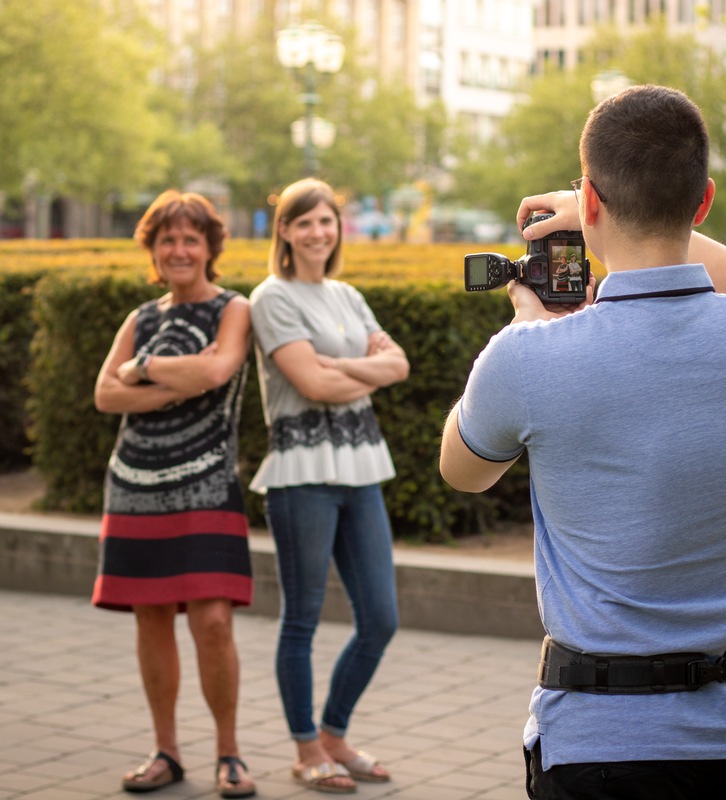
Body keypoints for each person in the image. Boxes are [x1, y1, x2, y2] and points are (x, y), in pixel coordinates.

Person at [439, 85, 726, 799]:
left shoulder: (528, 358)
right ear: (703, 201)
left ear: (591, 204)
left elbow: (462, 472)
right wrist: (618, 208)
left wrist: (524, 327)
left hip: (594, 742)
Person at [93, 190, 256, 798]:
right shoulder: (140, 318)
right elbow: (104, 396)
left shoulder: (233, 309)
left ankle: (230, 754)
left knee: (214, 623)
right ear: (153, 251)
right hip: (133, 484)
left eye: (191, 239)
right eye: (168, 240)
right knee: (151, 617)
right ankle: (165, 750)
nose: (179, 250)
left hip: (208, 484)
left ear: (210, 247)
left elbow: (218, 371)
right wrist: (163, 377)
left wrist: (139, 370)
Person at [249, 178, 410, 794]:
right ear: (285, 232)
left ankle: (336, 734)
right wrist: (361, 371)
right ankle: (305, 747)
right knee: (303, 620)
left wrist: (336, 366)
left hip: (362, 467)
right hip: (301, 476)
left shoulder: (346, 294)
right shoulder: (271, 298)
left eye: (327, 221)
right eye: (305, 222)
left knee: (381, 619)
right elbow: (310, 387)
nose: (319, 231)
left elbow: (398, 365)